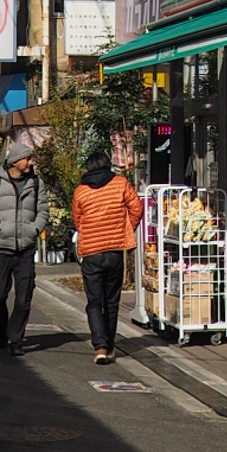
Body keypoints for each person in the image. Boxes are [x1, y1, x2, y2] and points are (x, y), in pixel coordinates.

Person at [72, 149, 143, 362]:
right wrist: (125, 229)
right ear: (107, 164)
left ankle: (100, 347)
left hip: (91, 253)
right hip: (114, 252)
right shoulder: (120, 184)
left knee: (94, 301)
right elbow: (137, 208)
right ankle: (110, 346)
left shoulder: (80, 192)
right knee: (112, 302)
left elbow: (77, 220)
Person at [0, 145, 44, 356]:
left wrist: (34, 229)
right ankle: (2, 330)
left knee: (24, 298)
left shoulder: (37, 183)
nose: (31, 163)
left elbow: (43, 211)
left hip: (26, 249)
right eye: (27, 159)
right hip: (1, 248)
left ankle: (15, 339)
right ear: (15, 161)